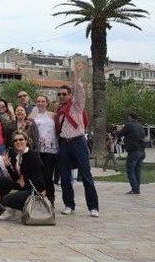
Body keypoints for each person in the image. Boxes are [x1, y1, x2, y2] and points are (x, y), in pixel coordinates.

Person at [55, 60, 99, 217]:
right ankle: (69, 205)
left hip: (78, 142)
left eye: (64, 94)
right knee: (65, 177)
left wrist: (77, 75)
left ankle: (93, 207)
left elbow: (80, 91)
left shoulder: (76, 105)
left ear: (69, 95)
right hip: (64, 144)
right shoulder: (58, 110)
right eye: (59, 94)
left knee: (86, 175)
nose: (61, 96)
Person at [0, 131, 47, 221]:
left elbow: (41, 174)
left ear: (26, 141)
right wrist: (8, 166)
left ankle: (28, 209)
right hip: (23, 186)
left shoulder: (32, 155)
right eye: (15, 140)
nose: (18, 142)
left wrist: (43, 189)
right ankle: (12, 209)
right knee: (0, 180)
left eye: (21, 139)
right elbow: (16, 177)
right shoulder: (18, 156)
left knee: (5, 200)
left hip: (33, 189)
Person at [27, 95, 57, 205]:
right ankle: (40, 198)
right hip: (37, 149)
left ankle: (51, 198)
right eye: (38, 101)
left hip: (51, 149)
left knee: (48, 175)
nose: (40, 103)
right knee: (39, 175)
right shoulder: (32, 116)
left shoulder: (53, 115)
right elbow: (29, 132)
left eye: (42, 101)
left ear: (47, 103)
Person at [118, 113, 146, 195]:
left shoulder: (129, 125)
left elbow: (120, 133)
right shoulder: (140, 126)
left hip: (133, 151)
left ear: (130, 117)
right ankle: (137, 189)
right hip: (141, 151)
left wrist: (119, 130)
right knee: (137, 170)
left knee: (130, 170)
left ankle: (135, 189)